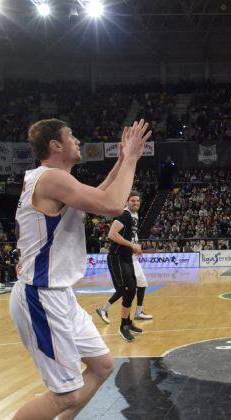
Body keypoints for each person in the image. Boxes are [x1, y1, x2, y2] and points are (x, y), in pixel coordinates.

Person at [9, 118, 151, 419]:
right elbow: (113, 203)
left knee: (102, 366)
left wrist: (123, 160)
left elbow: (98, 195)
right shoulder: (50, 179)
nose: (77, 140)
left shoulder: (53, 181)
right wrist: (134, 159)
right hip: (40, 297)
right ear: (55, 145)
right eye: (70, 135)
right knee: (65, 397)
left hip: (59, 295)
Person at [95, 191, 152, 335]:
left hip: (127, 258)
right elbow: (112, 234)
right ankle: (122, 327)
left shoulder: (134, 216)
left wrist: (135, 248)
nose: (136, 203)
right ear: (127, 201)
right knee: (127, 290)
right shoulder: (124, 215)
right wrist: (131, 245)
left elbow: (129, 237)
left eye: (138, 201)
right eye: (133, 201)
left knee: (132, 289)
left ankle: (128, 323)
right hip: (116, 257)